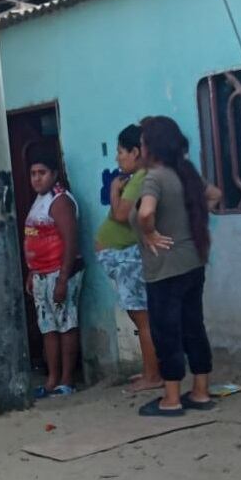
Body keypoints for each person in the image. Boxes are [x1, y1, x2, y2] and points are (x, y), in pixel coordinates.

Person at [132, 116, 218, 417]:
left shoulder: (154, 177)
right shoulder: (186, 173)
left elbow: (146, 213)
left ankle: (171, 398)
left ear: (151, 146)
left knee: (166, 331)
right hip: (193, 261)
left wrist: (150, 232)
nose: (139, 149)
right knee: (194, 326)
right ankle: (201, 391)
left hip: (165, 268)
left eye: (142, 143)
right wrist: (188, 215)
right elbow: (215, 195)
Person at [95, 124, 162, 393]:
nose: (117, 158)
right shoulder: (138, 177)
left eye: (121, 152)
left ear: (135, 152)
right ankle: (151, 370)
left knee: (141, 318)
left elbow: (122, 216)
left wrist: (113, 192)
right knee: (140, 318)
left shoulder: (140, 177)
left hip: (127, 258)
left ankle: (152, 375)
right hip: (122, 258)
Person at [23, 152, 82, 398]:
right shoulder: (39, 200)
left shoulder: (60, 201)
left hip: (60, 273)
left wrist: (63, 279)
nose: (37, 178)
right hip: (41, 274)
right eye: (33, 174)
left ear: (54, 174)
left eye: (42, 173)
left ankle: (67, 379)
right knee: (48, 328)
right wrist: (31, 272)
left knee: (66, 325)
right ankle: (52, 379)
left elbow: (70, 241)